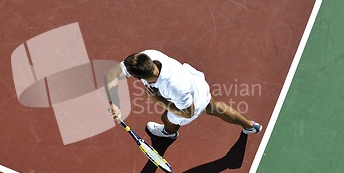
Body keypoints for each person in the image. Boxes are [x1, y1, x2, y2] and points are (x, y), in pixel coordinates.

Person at [105, 49, 262, 139]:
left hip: (189, 103)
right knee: (216, 107)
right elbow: (112, 74)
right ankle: (250, 126)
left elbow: (188, 113)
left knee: (166, 118)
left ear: (139, 78)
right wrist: (114, 104)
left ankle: (169, 133)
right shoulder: (148, 56)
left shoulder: (173, 87)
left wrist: (159, 100)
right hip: (196, 84)